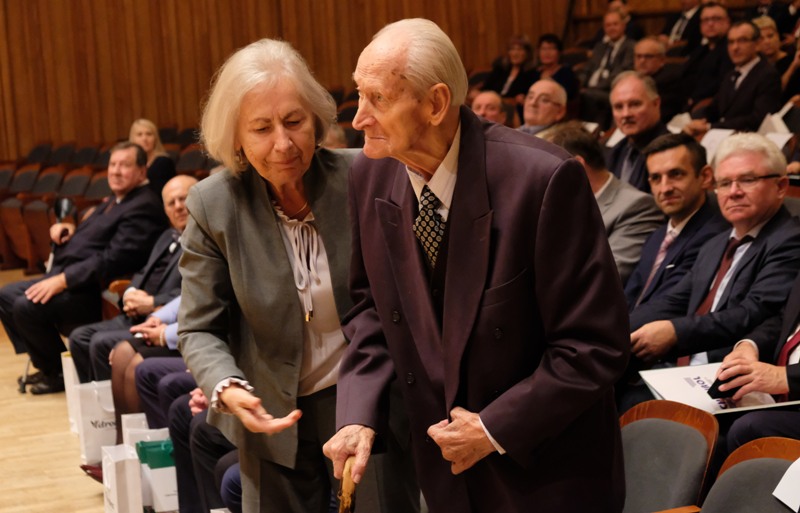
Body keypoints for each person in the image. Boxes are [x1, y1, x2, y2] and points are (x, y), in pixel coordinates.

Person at [323, 18, 629, 513]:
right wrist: (357, 413)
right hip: (446, 474)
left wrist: (492, 428)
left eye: (377, 98)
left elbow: (594, 345)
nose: (358, 119)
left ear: (436, 104)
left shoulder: (544, 179)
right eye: (358, 94)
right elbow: (371, 312)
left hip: (543, 474)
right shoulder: (369, 174)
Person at [177, 38, 418, 513]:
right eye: (261, 128)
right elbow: (198, 327)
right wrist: (227, 386)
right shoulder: (213, 204)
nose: (283, 144)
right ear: (236, 138)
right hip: (270, 412)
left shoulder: (367, 175)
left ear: (316, 119)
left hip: (370, 402)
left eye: (294, 121)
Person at [625, 133, 800, 409]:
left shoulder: (790, 239)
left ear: (780, 186)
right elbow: (673, 301)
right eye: (724, 183)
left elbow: (753, 312)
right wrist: (618, 329)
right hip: (679, 372)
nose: (734, 192)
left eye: (747, 180)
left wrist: (675, 331)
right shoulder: (716, 242)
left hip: (727, 380)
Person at [0, 141, 166, 394]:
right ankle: (48, 363)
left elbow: (113, 259)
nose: (116, 171)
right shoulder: (115, 200)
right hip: (72, 277)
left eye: (124, 165)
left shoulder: (143, 205)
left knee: (26, 305)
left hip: (91, 290)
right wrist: (68, 230)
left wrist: (63, 280)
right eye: (112, 164)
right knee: (6, 296)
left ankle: (57, 373)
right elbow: (95, 238)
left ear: (142, 171)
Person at [67, 174, 195, 384]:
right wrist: (130, 293)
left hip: (163, 318)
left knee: (100, 342)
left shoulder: (202, 245)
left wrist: (152, 303)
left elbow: (193, 293)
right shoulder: (166, 236)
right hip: (136, 313)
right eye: (171, 203)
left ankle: (113, 400)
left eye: (183, 199)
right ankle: (97, 398)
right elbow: (143, 272)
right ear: (165, 210)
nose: (178, 206)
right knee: (79, 337)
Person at [545, 124, 662, 285]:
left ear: (577, 166)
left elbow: (606, 276)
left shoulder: (638, 207)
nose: (541, 175)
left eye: (547, 166)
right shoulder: (557, 205)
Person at [625, 133, 728, 310]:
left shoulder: (715, 237)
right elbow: (627, 296)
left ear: (705, 177)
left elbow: (668, 307)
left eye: (676, 174)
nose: (665, 188)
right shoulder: (656, 237)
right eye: (656, 178)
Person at [716, 271, 800, 455]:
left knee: (750, 428)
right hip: (781, 400)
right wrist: (749, 345)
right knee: (705, 417)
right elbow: (783, 319)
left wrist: (786, 377)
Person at [684, 20, 781, 138]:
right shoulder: (731, 74)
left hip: (748, 140)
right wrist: (692, 121)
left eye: (742, 40)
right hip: (724, 136)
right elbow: (714, 108)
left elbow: (757, 119)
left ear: (757, 44)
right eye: (731, 42)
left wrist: (710, 127)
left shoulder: (767, 75)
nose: (735, 47)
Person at [607, 71, 669, 193]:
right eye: (618, 107)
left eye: (635, 104)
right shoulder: (614, 153)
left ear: (656, 103)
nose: (626, 114)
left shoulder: (672, 152)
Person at [579, 10, 636, 129]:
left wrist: (593, 89)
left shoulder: (630, 46)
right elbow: (587, 69)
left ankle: (593, 130)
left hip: (611, 90)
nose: (611, 28)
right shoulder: (599, 47)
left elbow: (621, 73)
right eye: (608, 25)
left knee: (587, 95)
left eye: (615, 24)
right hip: (589, 89)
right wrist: (579, 84)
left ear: (623, 26)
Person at [678, 2, 733, 112]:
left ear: (727, 22)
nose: (710, 24)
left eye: (716, 19)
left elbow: (725, 87)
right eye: (705, 20)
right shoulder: (699, 51)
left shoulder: (731, 50)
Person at [633, 37, 682, 122]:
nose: (642, 61)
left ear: (662, 60)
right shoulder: (633, 78)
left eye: (648, 56)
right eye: (638, 56)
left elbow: (659, 115)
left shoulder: (668, 80)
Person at [481, 34, 538, 104]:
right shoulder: (500, 69)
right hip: (492, 103)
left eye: (520, 49)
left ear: (527, 53)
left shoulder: (532, 74)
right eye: (512, 49)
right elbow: (485, 89)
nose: (515, 53)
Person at [129, 118, 177, 195]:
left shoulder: (163, 162)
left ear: (155, 138)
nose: (144, 138)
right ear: (133, 139)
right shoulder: (129, 164)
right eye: (139, 134)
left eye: (149, 134)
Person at [535, 33, 579, 101]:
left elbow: (568, 95)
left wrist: (549, 81)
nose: (547, 53)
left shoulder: (566, 72)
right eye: (543, 49)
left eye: (551, 49)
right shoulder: (534, 73)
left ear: (559, 52)